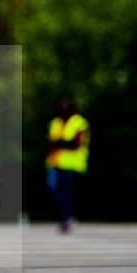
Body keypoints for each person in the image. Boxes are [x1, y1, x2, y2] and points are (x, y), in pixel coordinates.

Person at [46, 97, 90, 233]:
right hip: (56, 162)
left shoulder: (79, 122)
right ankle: (67, 217)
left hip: (72, 164)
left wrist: (59, 142)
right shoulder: (55, 122)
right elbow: (50, 140)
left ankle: (67, 218)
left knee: (67, 192)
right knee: (56, 189)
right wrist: (63, 142)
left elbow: (75, 143)